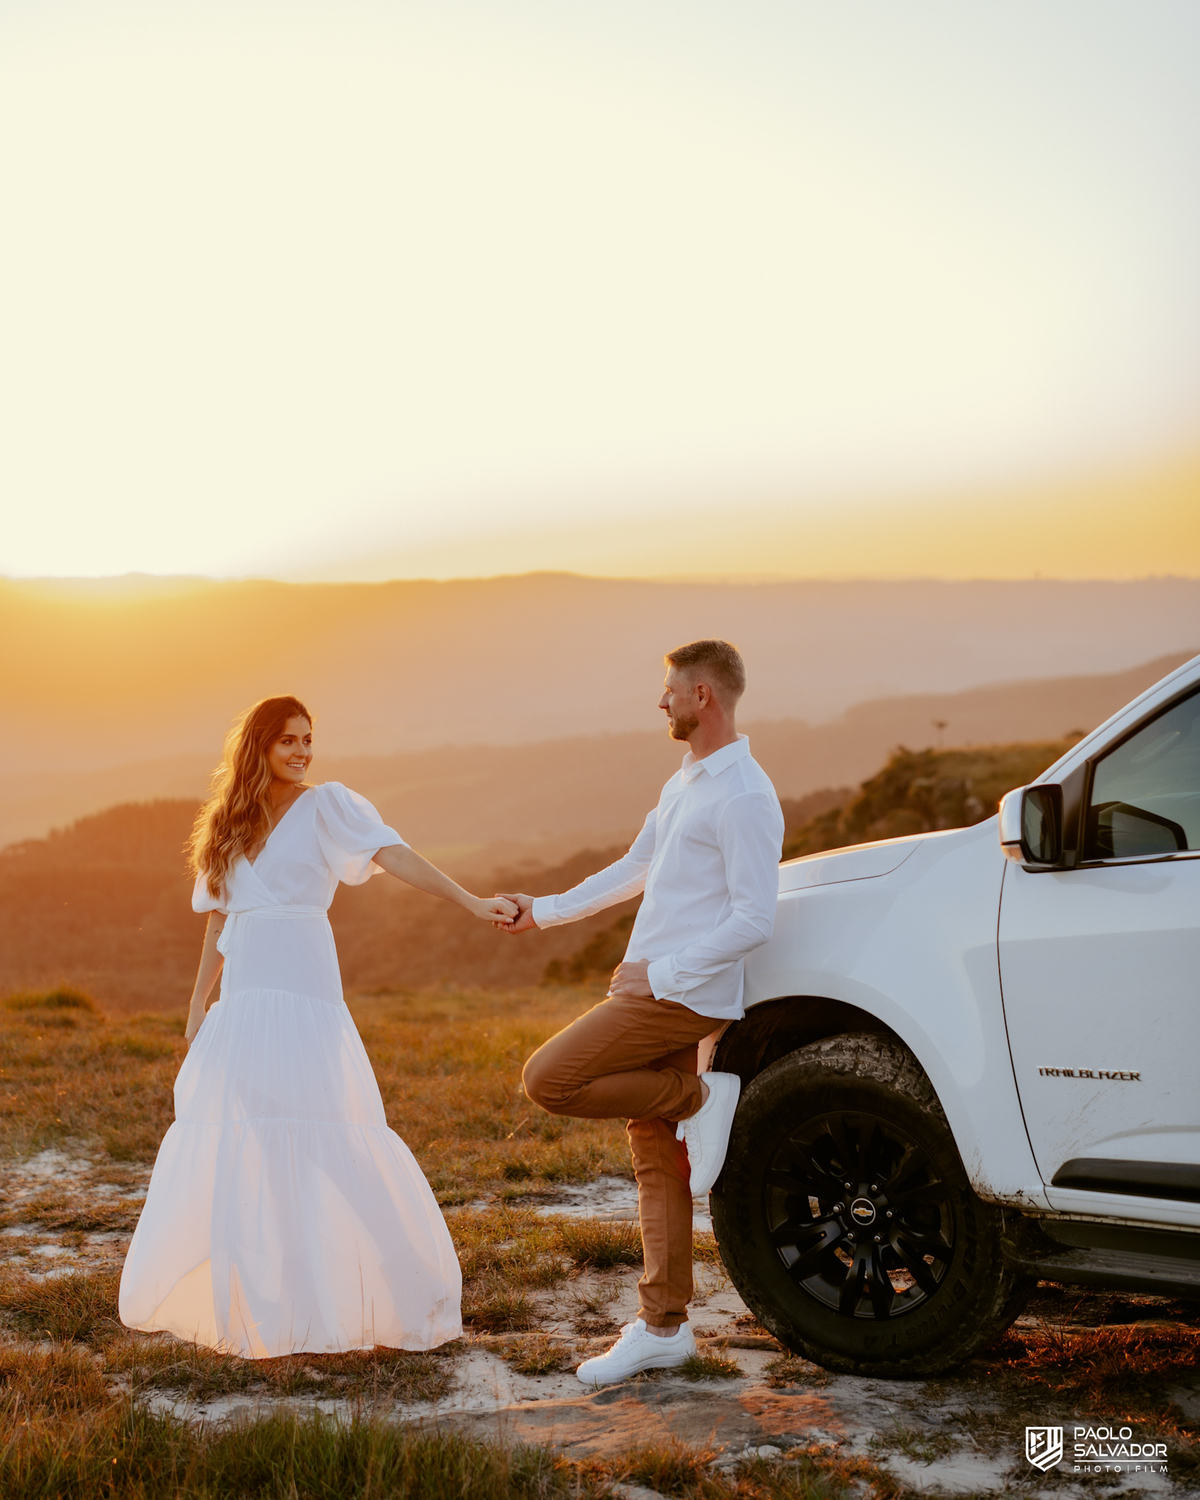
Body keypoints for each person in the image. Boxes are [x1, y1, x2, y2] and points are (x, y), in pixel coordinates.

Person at [118, 695, 517, 1358]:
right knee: (255, 1141)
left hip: (304, 987)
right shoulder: (227, 821)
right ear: (260, 746)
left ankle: (400, 1272)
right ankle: (272, 1304)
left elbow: (394, 855)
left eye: (308, 739)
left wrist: (471, 902)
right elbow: (218, 921)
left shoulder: (328, 804)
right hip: (244, 997)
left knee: (329, 1132)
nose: (302, 751)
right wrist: (197, 1008)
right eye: (288, 740)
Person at [498, 639, 783, 1385]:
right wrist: (544, 911)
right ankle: (664, 1328)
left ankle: (699, 1095)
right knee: (656, 1155)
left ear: (703, 697)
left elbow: (754, 918)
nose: (662, 701)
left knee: (549, 1078)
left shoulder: (744, 795)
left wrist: (660, 974)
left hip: (679, 997)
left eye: (671, 690)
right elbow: (635, 867)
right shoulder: (687, 780)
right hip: (656, 988)